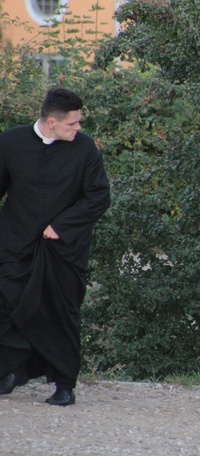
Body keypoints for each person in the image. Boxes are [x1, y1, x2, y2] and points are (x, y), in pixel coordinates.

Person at [0, 87, 111, 406]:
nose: (78, 129)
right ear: (51, 122)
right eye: (72, 124)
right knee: (6, 304)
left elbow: (98, 196)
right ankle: (14, 368)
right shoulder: (10, 143)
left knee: (61, 315)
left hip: (64, 250)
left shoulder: (85, 149)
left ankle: (64, 385)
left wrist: (61, 226)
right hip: (14, 243)